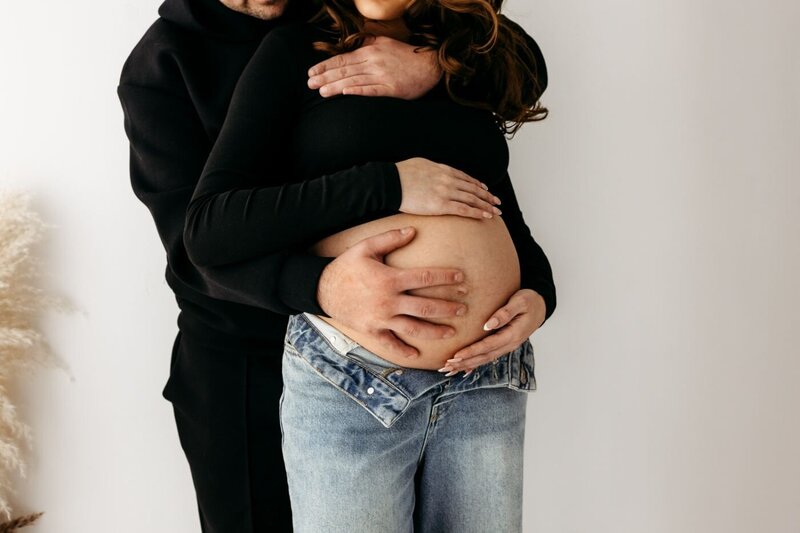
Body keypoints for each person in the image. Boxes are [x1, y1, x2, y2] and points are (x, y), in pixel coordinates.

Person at [118, 0, 553, 531]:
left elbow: (510, 96)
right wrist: (324, 285)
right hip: (255, 355)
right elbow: (198, 244)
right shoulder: (167, 64)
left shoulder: (386, 25)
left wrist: (433, 63)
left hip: (475, 376)